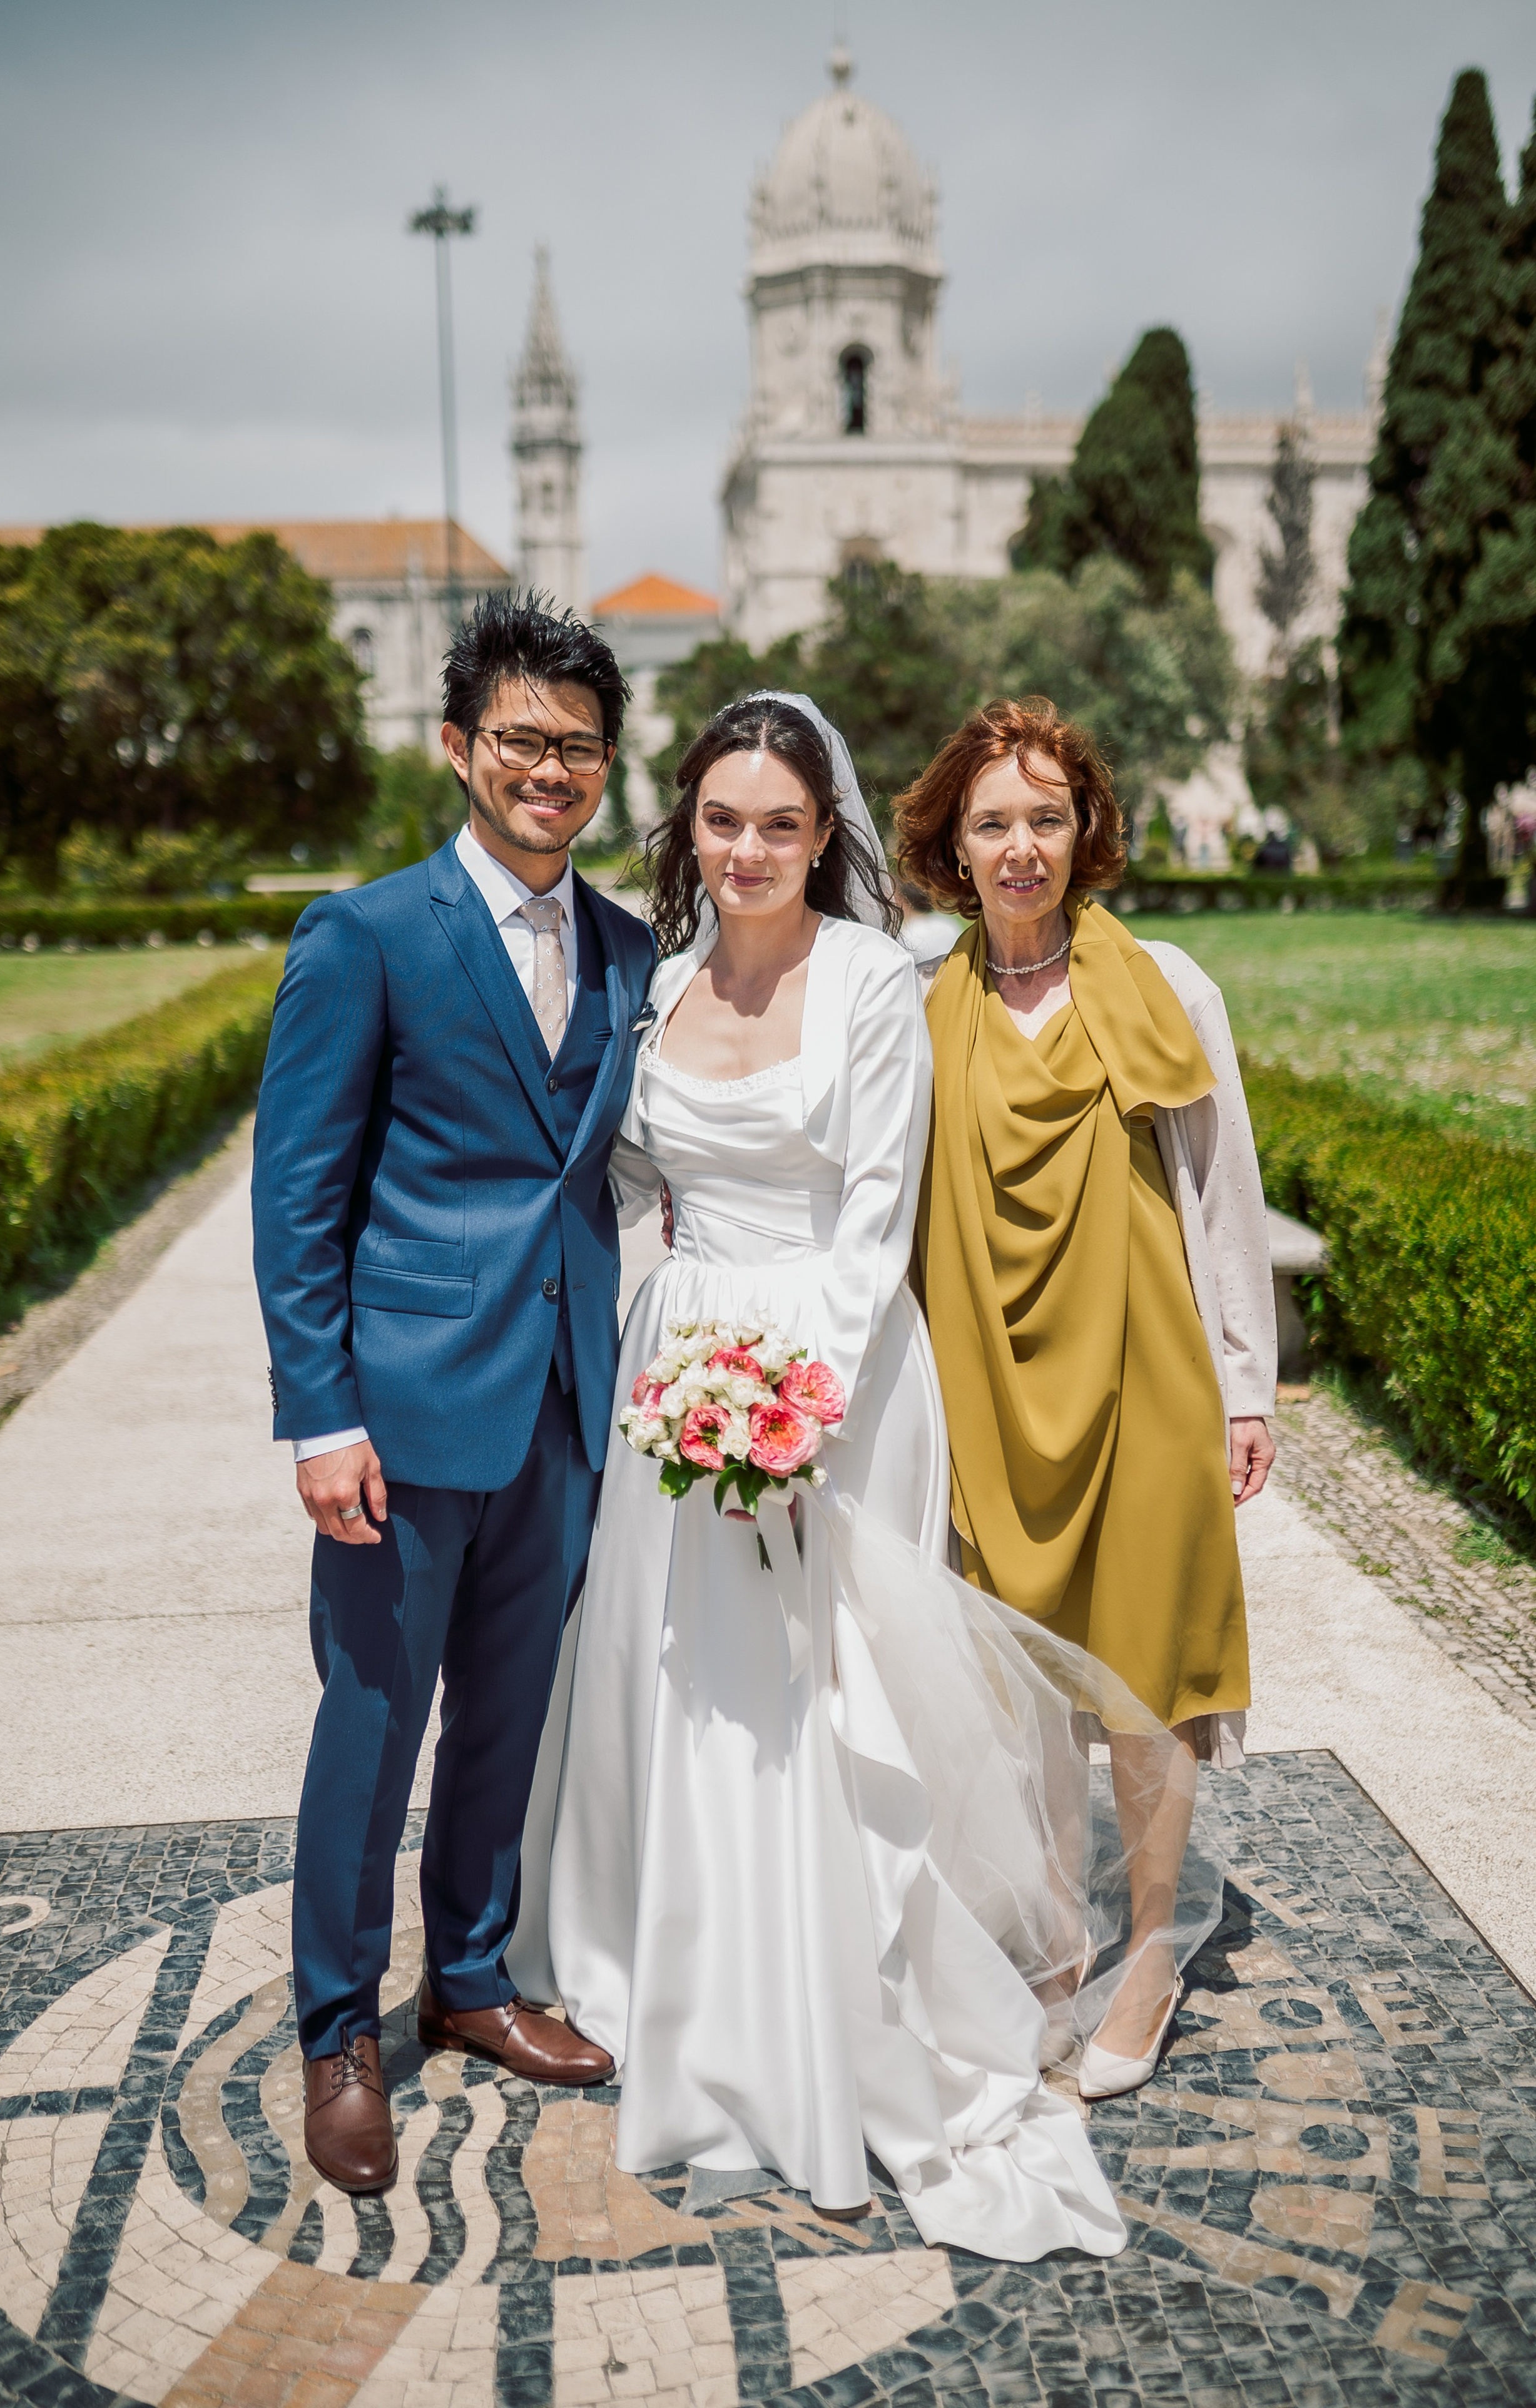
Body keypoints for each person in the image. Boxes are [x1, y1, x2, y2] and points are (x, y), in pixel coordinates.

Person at [512, 693, 1217, 2263]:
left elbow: (874, 1209)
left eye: (779, 821)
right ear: (685, 830)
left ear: (821, 833)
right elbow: (631, 1175)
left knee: (831, 1696)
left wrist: (788, 1411)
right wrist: (675, 1354)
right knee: (681, 1686)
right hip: (676, 1367)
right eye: (720, 819)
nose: (749, 847)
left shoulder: (872, 986)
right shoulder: (661, 979)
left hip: (827, 1382)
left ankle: (864, 1971)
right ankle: (676, 1960)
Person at [252, 591, 656, 2195]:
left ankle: (473, 1978)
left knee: (510, 1717)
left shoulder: (628, 948)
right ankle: (337, 2029)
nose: (550, 769)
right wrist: (318, 1413)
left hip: (564, 1406)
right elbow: (299, 1197)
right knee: (370, 1718)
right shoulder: (363, 935)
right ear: (458, 749)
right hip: (402, 1413)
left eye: (577, 746)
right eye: (521, 739)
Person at [895, 697, 1276, 2101]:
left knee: (1146, 1680)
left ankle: (1149, 1956)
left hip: (1148, 1381)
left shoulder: (1167, 985)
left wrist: (1246, 1384)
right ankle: (1056, 1937)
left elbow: (1220, 1190)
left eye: (1045, 817)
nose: (1019, 846)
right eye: (991, 820)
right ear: (950, 840)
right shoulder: (921, 1000)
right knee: (1025, 1680)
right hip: (988, 1380)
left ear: (1085, 829)